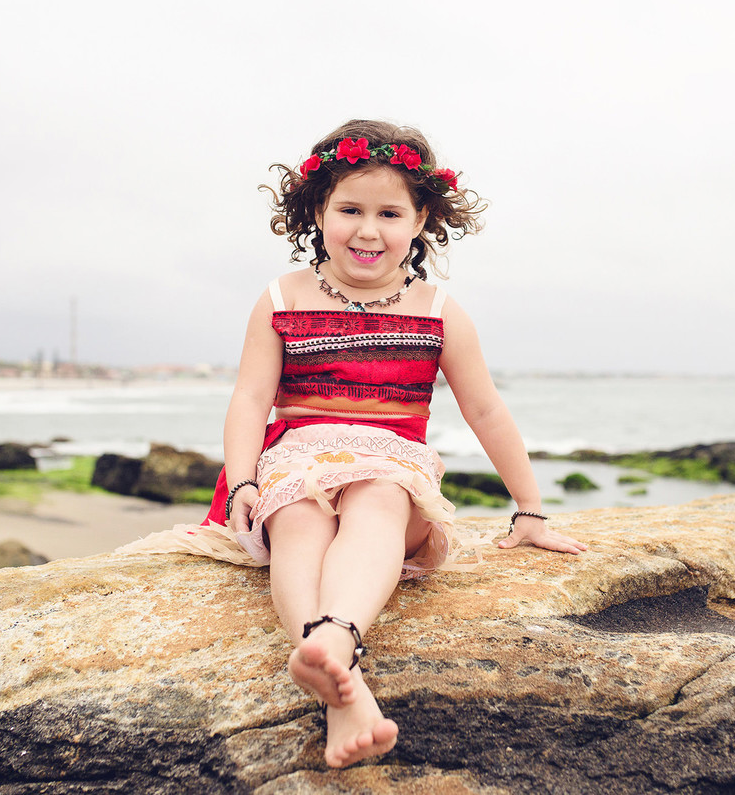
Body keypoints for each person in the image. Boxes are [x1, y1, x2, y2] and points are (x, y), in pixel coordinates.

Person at [119, 119, 587, 768]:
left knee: (379, 495)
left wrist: (530, 511)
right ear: (319, 210)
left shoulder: (437, 310)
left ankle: (334, 636)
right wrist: (246, 482)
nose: (368, 230)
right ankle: (342, 682)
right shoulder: (281, 297)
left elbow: (485, 409)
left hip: (392, 468)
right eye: (350, 209)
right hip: (296, 462)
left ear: (421, 218)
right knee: (300, 518)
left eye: (389, 212)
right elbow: (251, 399)